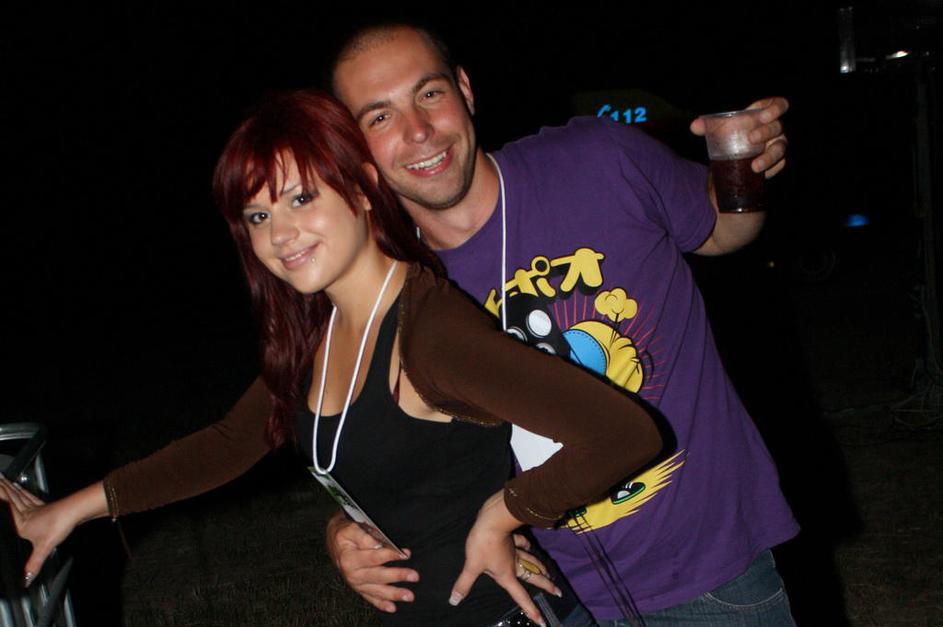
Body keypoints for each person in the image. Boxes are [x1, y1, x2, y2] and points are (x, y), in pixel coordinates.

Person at [0, 90, 663, 627]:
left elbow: (623, 433)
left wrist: (506, 512)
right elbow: (228, 443)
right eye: (256, 216)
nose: (279, 234)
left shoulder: (429, 332)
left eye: (300, 198)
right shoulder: (320, 331)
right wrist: (67, 512)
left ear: (362, 188)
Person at [321, 23, 800, 626]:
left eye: (430, 94)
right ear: (354, 147)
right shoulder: (389, 286)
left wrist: (744, 171)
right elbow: (391, 454)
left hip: (710, 577)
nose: (417, 130)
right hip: (549, 598)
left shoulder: (599, 160)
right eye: (380, 117)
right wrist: (344, 531)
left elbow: (721, 230)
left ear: (464, 90)